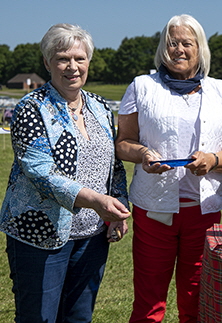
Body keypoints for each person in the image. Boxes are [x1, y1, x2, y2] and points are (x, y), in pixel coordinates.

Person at [115, 14, 222, 323]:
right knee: (149, 302)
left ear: (200, 48)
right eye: (172, 43)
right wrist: (143, 153)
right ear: (163, 48)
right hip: (153, 210)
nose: (179, 49)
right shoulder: (142, 86)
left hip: (204, 211)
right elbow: (123, 142)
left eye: (187, 43)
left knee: (197, 299)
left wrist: (212, 160)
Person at [0, 23, 130, 323]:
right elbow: (40, 172)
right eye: (62, 58)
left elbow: (114, 165)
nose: (72, 66)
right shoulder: (31, 107)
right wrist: (96, 200)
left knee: (78, 318)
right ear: (47, 63)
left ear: (89, 62)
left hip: (92, 238)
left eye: (79, 58)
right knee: (39, 319)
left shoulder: (99, 106)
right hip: (38, 235)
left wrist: (117, 209)